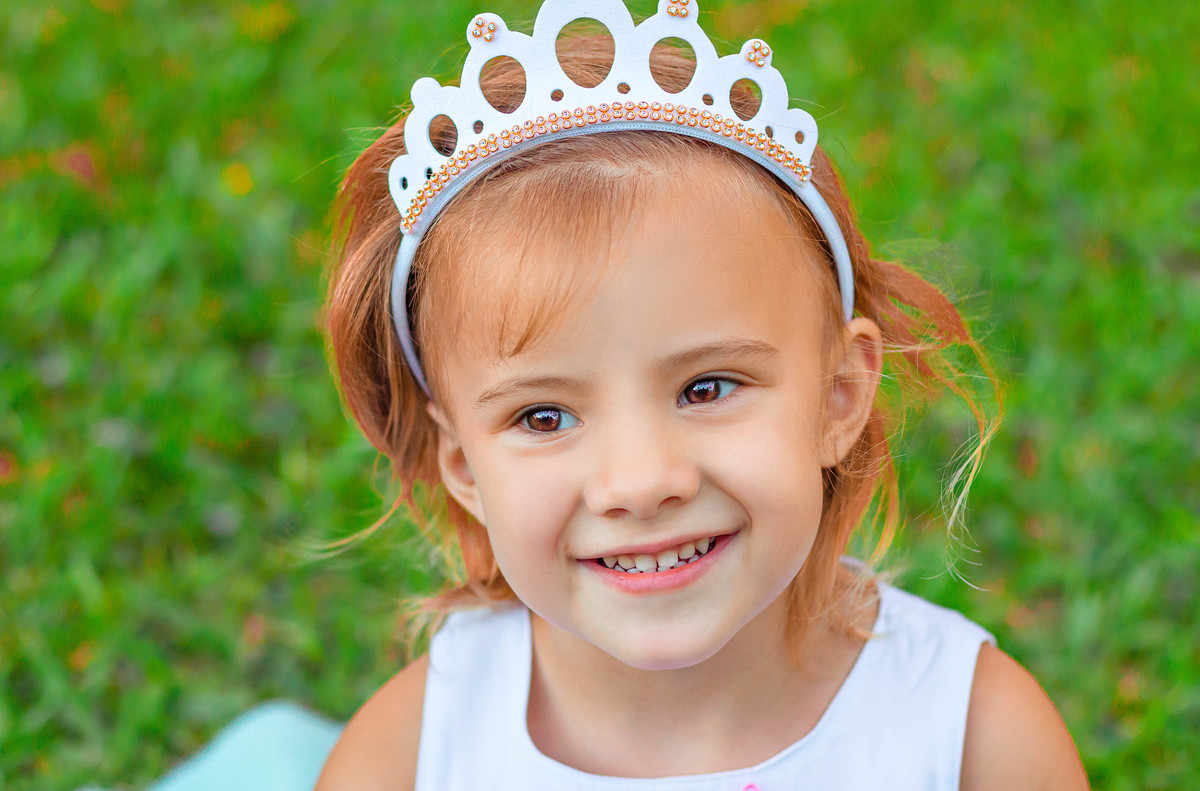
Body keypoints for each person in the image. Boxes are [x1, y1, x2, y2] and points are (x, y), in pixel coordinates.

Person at [315, 1, 1090, 788]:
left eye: (706, 387)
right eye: (543, 416)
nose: (643, 479)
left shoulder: (972, 740)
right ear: (465, 466)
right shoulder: (412, 754)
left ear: (838, 395)